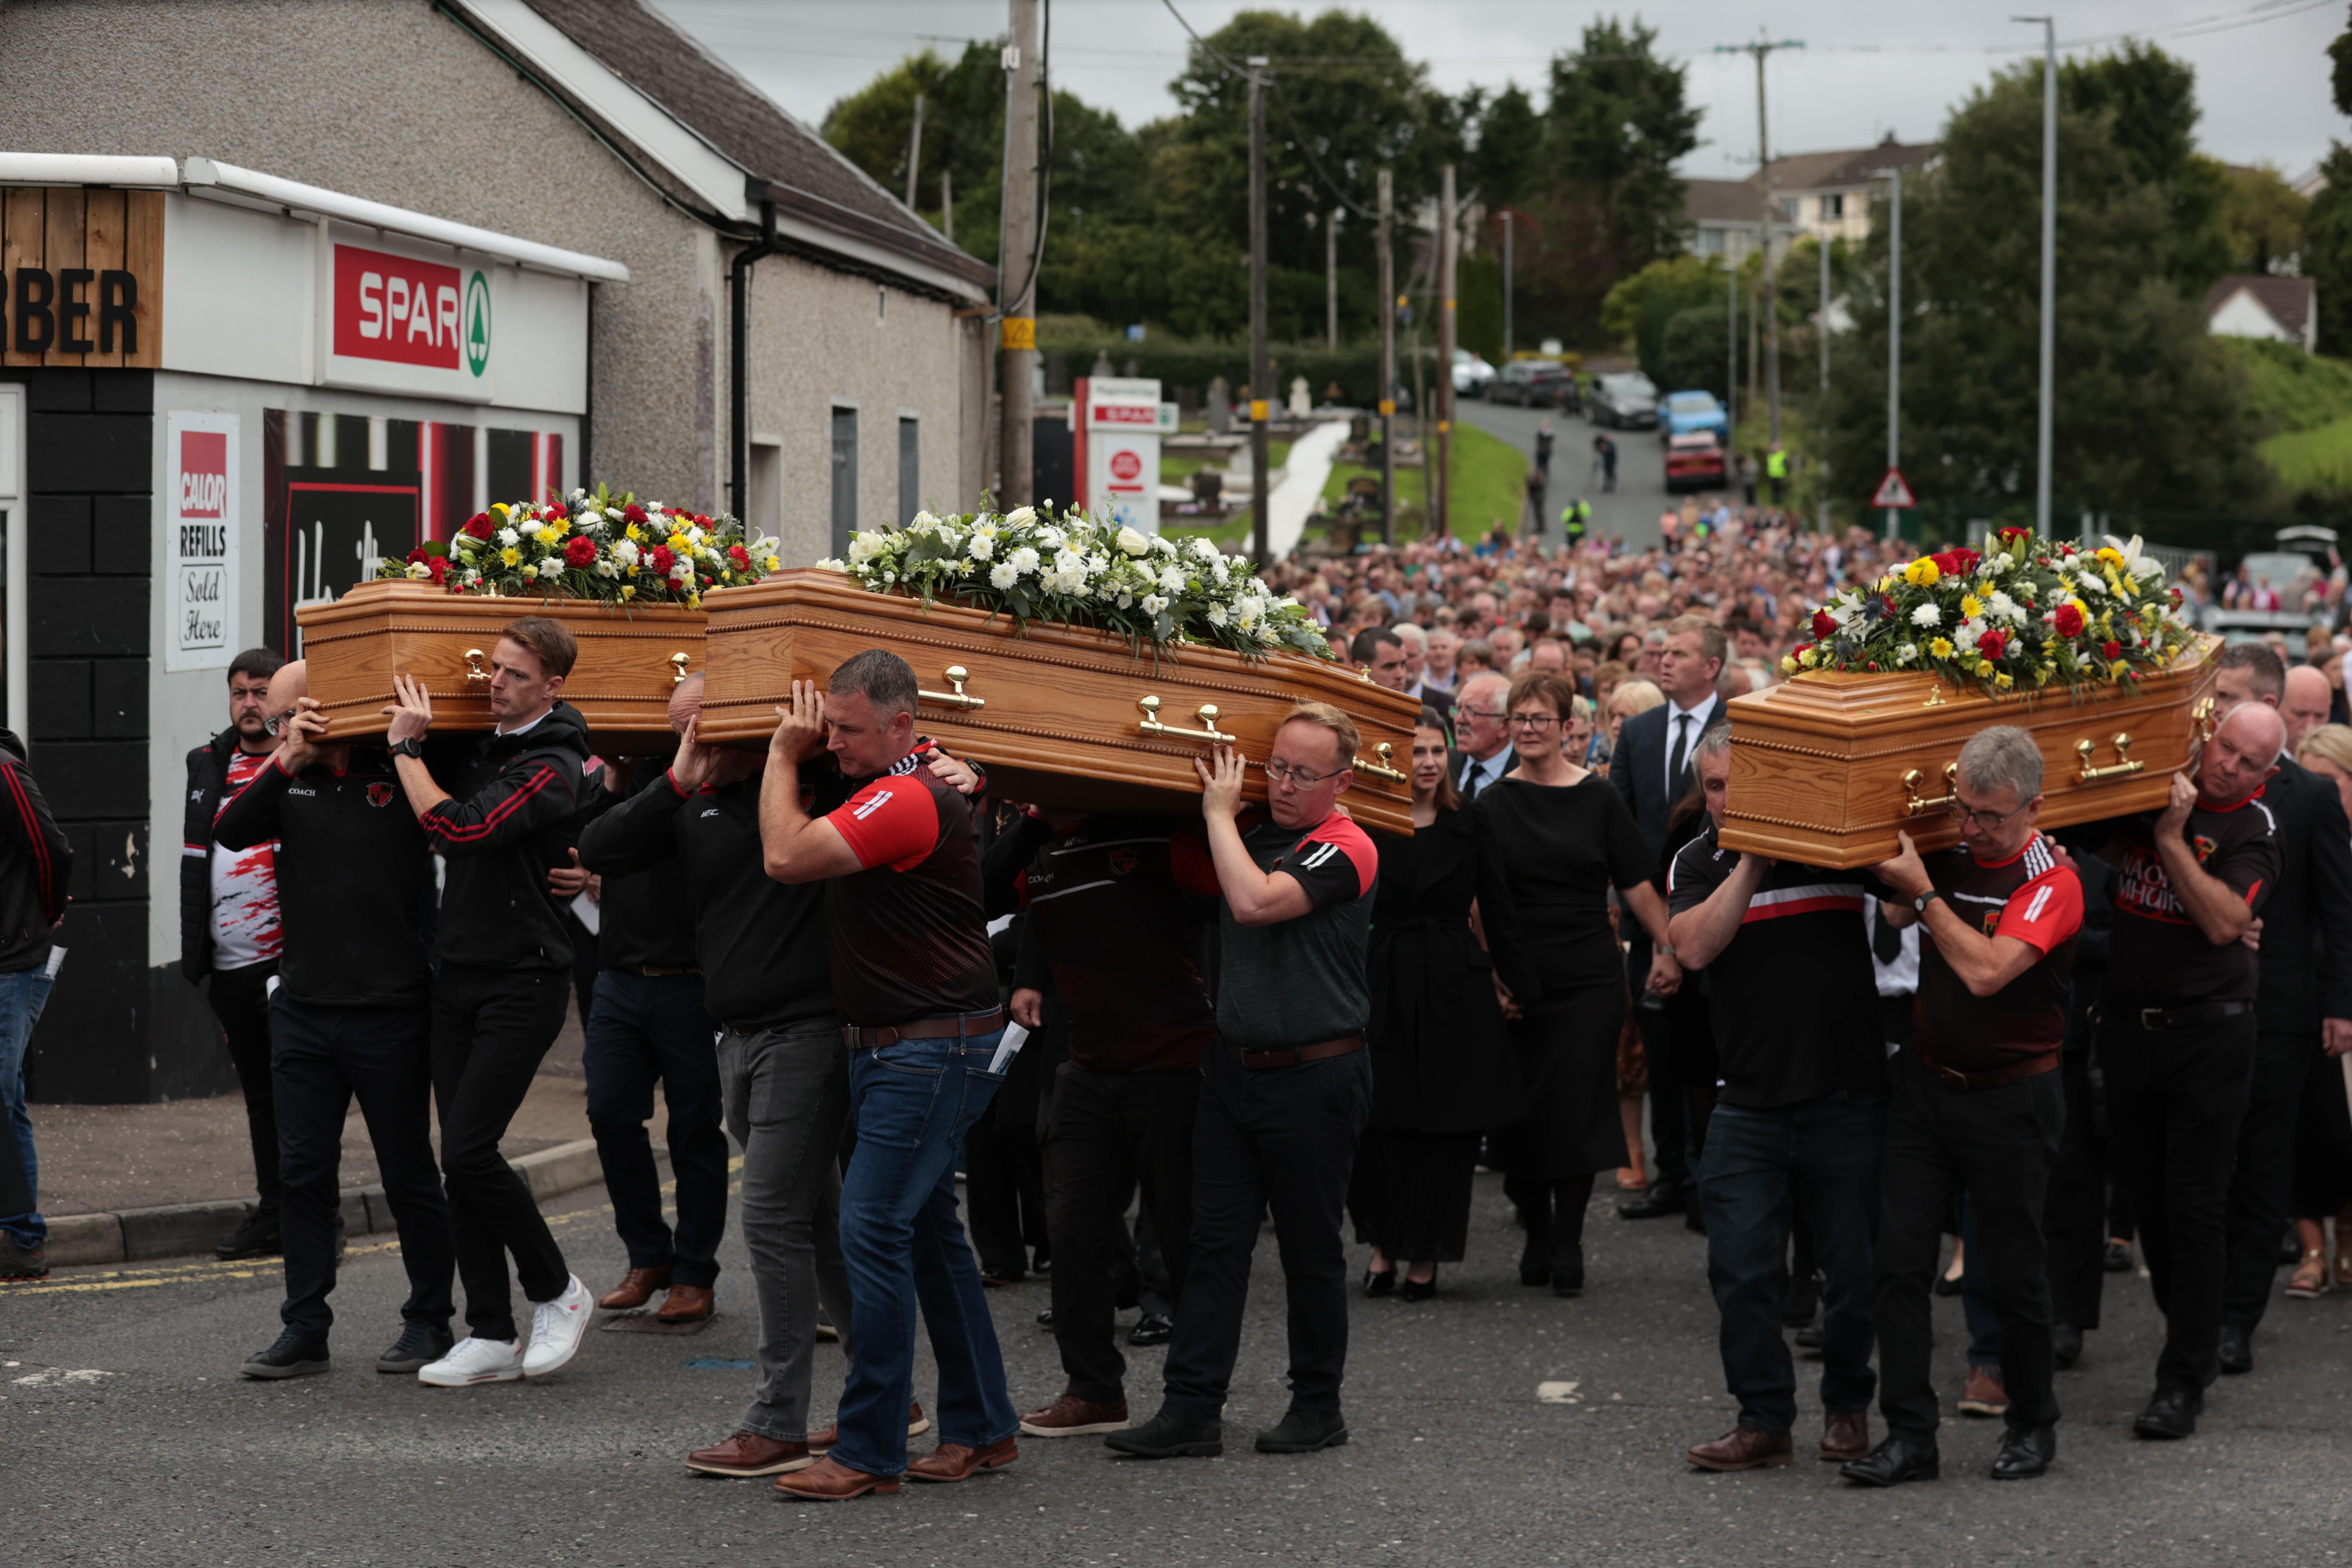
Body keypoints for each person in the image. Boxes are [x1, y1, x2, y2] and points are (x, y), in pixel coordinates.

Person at [582, 674, 965, 1481]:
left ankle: (776, 1420)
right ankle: (889, 1397)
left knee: (769, 1219)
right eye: (681, 733)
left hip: (810, 1029)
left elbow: (905, 762)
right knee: (815, 1220)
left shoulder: (814, 778)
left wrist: (965, 768)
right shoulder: (693, 791)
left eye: (705, 732)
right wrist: (680, 777)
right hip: (733, 1030)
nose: (693, 746)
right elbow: (603, 848)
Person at [758, 656, 1017, 1499]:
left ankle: (870, 1449)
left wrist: (779, 754)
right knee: (933, 1239)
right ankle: (982, 1427)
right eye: (826, 726)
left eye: (847, 730)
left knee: (872, 1231)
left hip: (926, 1046)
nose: (830, 742)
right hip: (905, 1044)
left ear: (902, 727)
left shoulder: (907, 794)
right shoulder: (904, 778)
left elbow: (786, 856)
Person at [1108, 703, 1378, 1461]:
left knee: (1308, 1249)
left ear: (1342, 781)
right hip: (1235, 1068)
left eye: (1302, 773)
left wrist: (1220, 811)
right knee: (1214, 1245)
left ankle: (1318, 1403)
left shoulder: (1346, 844)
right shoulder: (1251, 831)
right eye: (1276, 767)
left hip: (1317, 1072)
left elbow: (1255, 902)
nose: (1283, 783)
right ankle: (1191, 1406)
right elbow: (1182, 858)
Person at [1851, 726, 2081, 1487]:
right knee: (1897, 1263)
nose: (1974, 828)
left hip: (2012, 1094)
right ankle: (1910, 1435)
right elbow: (1891, 919)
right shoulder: (1944, 845)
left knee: (2013, 1273)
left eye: (1991, 815)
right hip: (1925, 1083)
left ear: (2033, 807)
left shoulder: (2052, 877)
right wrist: (1908, 879)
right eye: (1965, 811)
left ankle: (2032, 1423)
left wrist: (1922, 894)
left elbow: (1987, 972)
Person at [217, 663, 457, 1379]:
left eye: (294, 714)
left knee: (408, 1170)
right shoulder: (288, 778)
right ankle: (305, 1325)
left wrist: (406, 743)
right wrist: (288, 757)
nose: (281, 726)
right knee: (302, 1173)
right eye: (278, 719)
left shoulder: (398, 768)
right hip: (303, 1009)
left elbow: (452, 811)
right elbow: (230, 831)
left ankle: (429, 1320)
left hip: (389, 1010)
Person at [380, 618, 596, 1386]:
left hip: (524, 978)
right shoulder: (482, 744)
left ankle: (558, 1290)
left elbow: (458, 827)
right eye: (493, 669)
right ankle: (491, 1330)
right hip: (459, 973)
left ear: (552, 686)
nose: (495, 682)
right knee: (457, 1163)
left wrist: (405, 749)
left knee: (470, 1148)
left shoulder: (553, 764)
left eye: (513, 673)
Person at [1669, 728, 1886, 1471]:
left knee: (1852, 1269)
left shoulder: (1829, 841)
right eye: (1714, 787)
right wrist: (1753, 858)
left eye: (1737, 784)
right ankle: (1762, 1417)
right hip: (1748, 1101)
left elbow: (1908, 873)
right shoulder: (1697, 858)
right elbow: (1693, 947)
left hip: (1845, 1093)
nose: (1724, 800)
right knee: (1738, 1268)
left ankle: (1849, 1407)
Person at [2095, 703, 2285, 1439]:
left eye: (2245, 761)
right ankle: (2196, 1336)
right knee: (2148, 1204)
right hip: (2128, 1030)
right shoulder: (2161, 781)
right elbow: (2092, 838)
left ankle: (2180, 1380)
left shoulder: (2255, 830)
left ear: (2266, 774)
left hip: (2209, 1037)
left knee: (2195, 1205)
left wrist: (2170, 839)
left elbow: (2220, 920)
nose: (2226, 764)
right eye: (2223, 746)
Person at [1008, 807, 1217, 1438]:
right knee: (1071, 1230)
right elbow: (990, 890)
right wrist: (1031, 824)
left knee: (1182, 1233)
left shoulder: (1158, 835)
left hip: (1173, 1062)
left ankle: (1197, 1392)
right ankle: (1094, 1389)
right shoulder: (1038, 851)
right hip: (1086, 1064)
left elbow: (1234, 891)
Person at [1479, 670, 1679, 1294]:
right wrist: (1494, 976)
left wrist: (1670, 947)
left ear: (1569, 728)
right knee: (1522, 1115)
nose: (1530, 730)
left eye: (1542, 719)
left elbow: (1638, 882)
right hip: (1518, 977)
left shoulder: (1597, 798)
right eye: (1520, 719)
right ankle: (1535, 1232)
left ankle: (1567, 1242)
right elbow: (1480, 902)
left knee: (1576, 1110)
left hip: (1589, 977)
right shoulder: (1492, 804)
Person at [2205, 648, 2352, 1375]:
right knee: (2204, 1165)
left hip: (2280, 1012)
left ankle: (2237, 1319)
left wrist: (2339, 1005)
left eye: (2229, 695)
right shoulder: (2197, 779)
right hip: (2199, 1002)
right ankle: (2200, 1306)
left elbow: (2336, 904)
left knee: (2262, 1169)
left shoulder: (2309, 796)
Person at [1351, 710, 1523, 1301]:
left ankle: (1426, 1256)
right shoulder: (1371, 819)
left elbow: (1496, 903)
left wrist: (1520, 982)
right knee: (1382, 1123)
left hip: (1453, 983)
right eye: (1416, 751)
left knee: (1445, 1132)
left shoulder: (1470, 819)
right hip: (1386, 980)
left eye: (1436, 751)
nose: (1427, 762)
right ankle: (1381, 1248)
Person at [567, 719, 729, 1326]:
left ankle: (694, 1273)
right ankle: (648, 1257)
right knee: (609, 1114)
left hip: (692, 983)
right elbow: (584, 840)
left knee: (694, 1132)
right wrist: (615, 769)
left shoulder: (709, 781)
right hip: (620, 979)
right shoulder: (626, 780)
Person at [1613, 619, 1729, 1226]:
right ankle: (1671, 1176)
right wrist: (1654, 928)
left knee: (1708, 1054)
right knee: (1661, 1051)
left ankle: (1714, 1181)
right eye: (1659, 651)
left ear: (1711, 666)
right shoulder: (1638, 731)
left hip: (1718, 912)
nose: (1663, 661)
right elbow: (1623, 828)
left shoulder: (1744, 721)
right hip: (1649, 917)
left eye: (1678, 653)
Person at [182, 647, 289, 1263]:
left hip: (286, 966)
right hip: (227, 968)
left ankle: (315, 1219)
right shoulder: (207, 763)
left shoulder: (300, 761)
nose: (250, 704)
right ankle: (274, 1212)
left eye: (261, 691)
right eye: (240, 692)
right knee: (259, 1099)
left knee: (301, 1102)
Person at [0, 725, 72, 1282]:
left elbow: (53, 850)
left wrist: (41, 920)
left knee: (2, 1102)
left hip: (10, 963)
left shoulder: (2, 767)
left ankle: (23, 1239)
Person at [2289, 723, 2352, 1293]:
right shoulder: (2292, 836)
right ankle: (2312, 1250)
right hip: (2306, 1003)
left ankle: (2348, 1243)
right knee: (2307, 1132)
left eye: (2329, 781)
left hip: (2340, 999)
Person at [1449, 672, 1517, 800]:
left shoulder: (1527, 775)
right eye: (1458, 709)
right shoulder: (1444, 764)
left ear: (1504, 726)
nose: (1459, 720)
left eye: (1472, 712)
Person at [1351, 626, 1410, 694]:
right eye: (1389, 667)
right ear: (1360, 669)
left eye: (1403, 665)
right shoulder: (1340, 704)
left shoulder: (1418, 704)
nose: (1401, 675)